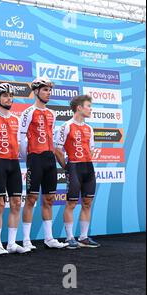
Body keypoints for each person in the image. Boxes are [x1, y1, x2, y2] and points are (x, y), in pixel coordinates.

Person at [0, 83, 31, 255]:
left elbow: (19, 144)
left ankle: (11, 243)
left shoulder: (16, 120)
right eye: (5, 96)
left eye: (11, 96)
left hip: (14, 163)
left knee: (17, 203)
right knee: (0, 204)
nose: (9, 98)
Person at [19, 77, 68, 250]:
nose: (49, 93)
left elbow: (53, 139)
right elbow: (21, 138)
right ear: (36, 91)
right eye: (45, 90)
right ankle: (26, 240)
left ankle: (49, 238)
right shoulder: (28, 112)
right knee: (31, 198)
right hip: (35, 158)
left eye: (50, 90)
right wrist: (29, 159)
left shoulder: (52, 113)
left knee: (49, 199)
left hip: (49, 159)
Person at [54, 95, 101, 249]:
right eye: (88, 106)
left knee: (87, 203)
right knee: (72, 202)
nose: (90, 109)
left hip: (88, 167)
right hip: (74, 166)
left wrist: (87, 160)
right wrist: (66, 167)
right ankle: (69, 238)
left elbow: (92, 149)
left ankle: (84, 237)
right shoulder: (66, 126)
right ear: (79, 107)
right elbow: (58, 150)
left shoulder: (89, 128)